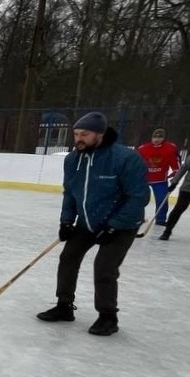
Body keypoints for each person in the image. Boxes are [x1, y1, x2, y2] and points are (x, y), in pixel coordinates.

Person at [37, 112, 149, 336]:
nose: (79, 138)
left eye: (84, 134)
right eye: (76, 134)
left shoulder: (125, 158)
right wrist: (66, 221)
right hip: (88, 221)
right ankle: (64, 306)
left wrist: (115, 225)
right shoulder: (73, 159)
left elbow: (138, 197)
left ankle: (108, 317)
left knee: (105, 267)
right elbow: (70, 193)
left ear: (100, 134)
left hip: (122, 225)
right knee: (68, 258)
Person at [135, 127, 180, 226]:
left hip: (160, 180)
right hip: (143, 179)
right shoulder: (143, 148)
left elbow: (175, 163)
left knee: (162, 200)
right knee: (138, 199)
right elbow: (135, 163)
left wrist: (176, 173)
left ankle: (160, 220)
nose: (157, 139)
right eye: (155, 137)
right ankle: (136, 217)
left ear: (164, 138)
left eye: (160, 137)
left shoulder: (170, 148)